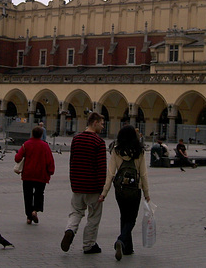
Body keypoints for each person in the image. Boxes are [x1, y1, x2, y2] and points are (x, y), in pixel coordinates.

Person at [99, 125, 150, 260]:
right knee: (131, 219)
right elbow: (144, 174)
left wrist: (104, 193)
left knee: (124, 216)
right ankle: (121, 240)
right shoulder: (139, 151)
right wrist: (146, 193)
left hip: (120, 190)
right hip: (135, 189)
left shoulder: (116, 151)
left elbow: (110, 174)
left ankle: (127, 248)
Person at [61, 111, 107, 255]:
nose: (102, 127)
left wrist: (73, 182)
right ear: (94, 123)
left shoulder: (76, 139)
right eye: (101, 124)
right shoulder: (99, 142)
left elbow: (72, 162)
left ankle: (70, 230)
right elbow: (101, 168)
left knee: (75, 212)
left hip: (78, 185)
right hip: (92, 187)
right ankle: (88, 245)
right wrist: (102, 190)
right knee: (93, 216)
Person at [14, 125, 55, 224]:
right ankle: (35, 211)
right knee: (39, 194)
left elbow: (17, 158)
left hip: (28, 175)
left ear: (32, 134)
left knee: (27, 195)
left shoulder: (26, 144)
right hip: (41, 175)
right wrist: (51, 171)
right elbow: (50, 160)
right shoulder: (45, 146)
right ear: (41, 135)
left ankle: (29, 217)